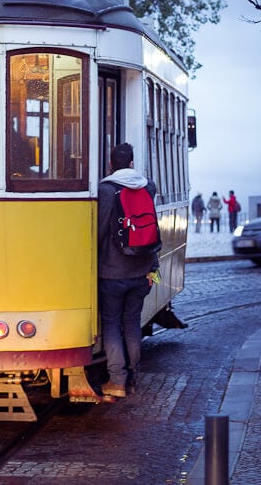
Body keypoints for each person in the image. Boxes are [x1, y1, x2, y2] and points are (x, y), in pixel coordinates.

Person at [97, 142, 160, 398]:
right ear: (132, 163)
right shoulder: (148, 186)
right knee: (132, 323)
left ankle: (117, 381)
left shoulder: (106, 189)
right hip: (143, 269)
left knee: (112, 324)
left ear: (111, 164)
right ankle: (133, 375)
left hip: (112, 272)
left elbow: (101, 230)